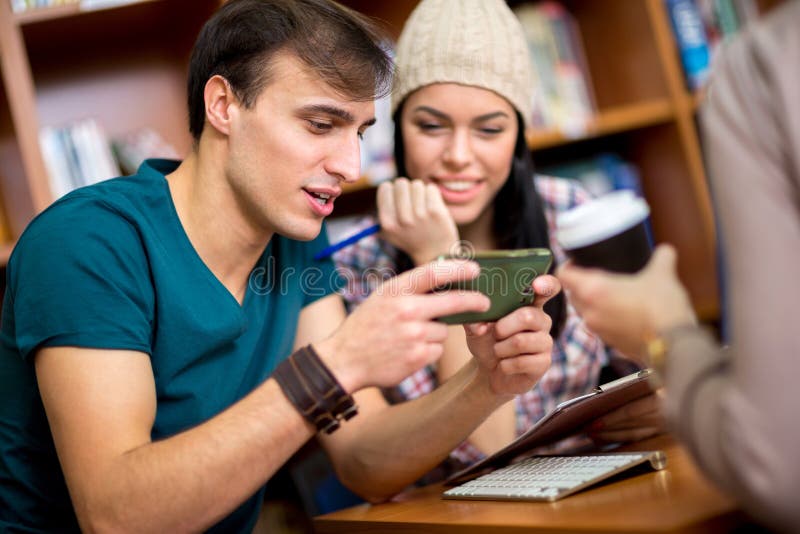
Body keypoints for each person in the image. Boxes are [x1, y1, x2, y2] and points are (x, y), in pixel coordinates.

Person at [0, 0, 562, 531]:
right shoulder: (87, 243)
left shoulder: (291, 245)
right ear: (223, 105)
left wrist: (485, 383)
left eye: (360, 132)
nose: (350, 165)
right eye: (321, 125)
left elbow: (361, 458)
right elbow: (117, 516)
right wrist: (333, 365)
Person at [334, 0, 663, 475]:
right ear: (398, 133)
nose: (459, 156)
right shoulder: (356, 263)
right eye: (430, 126)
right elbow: (487, 450)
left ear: (519, 138)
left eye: (489, 129)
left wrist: (669, 399)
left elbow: (661, 357)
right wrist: (437, 256)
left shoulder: (566, 212)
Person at [557, 1, 800, 531]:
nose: (460, 156)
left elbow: (781, 468)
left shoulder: (765, 67)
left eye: (490, 128)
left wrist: (666, 339)